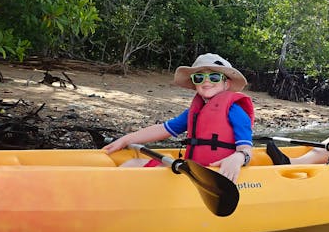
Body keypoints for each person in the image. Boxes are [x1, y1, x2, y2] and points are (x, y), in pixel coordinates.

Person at [103, 53, 254, 182]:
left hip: (216, 173)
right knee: (133, 163)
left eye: (214, 77)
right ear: (195, 83)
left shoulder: (236, 111)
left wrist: (239, 158)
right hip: (192, 170)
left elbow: (246, 148)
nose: (206, 81)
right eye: (199, 77)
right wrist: (126, 139)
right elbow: (163, 129)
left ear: (226, 84)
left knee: (135, 165)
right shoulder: (195, 112)